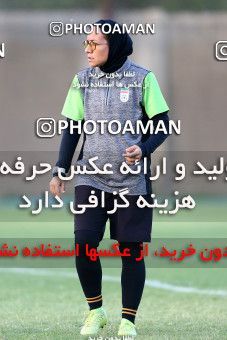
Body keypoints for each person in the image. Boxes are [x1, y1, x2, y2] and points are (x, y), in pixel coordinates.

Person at [49, 19, 170, 337]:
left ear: (113, 46)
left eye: (95, 44)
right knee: (84, 243)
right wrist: (61, 170)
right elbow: (72, 127)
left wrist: (143, 149)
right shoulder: (82, 80)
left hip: (132, 182)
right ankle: (96, 311)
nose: (88, 49)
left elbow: (162, 123)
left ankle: (128, 321)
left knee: (131, 250)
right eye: (85, 44)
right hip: (91, 177)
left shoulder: (144, 78)